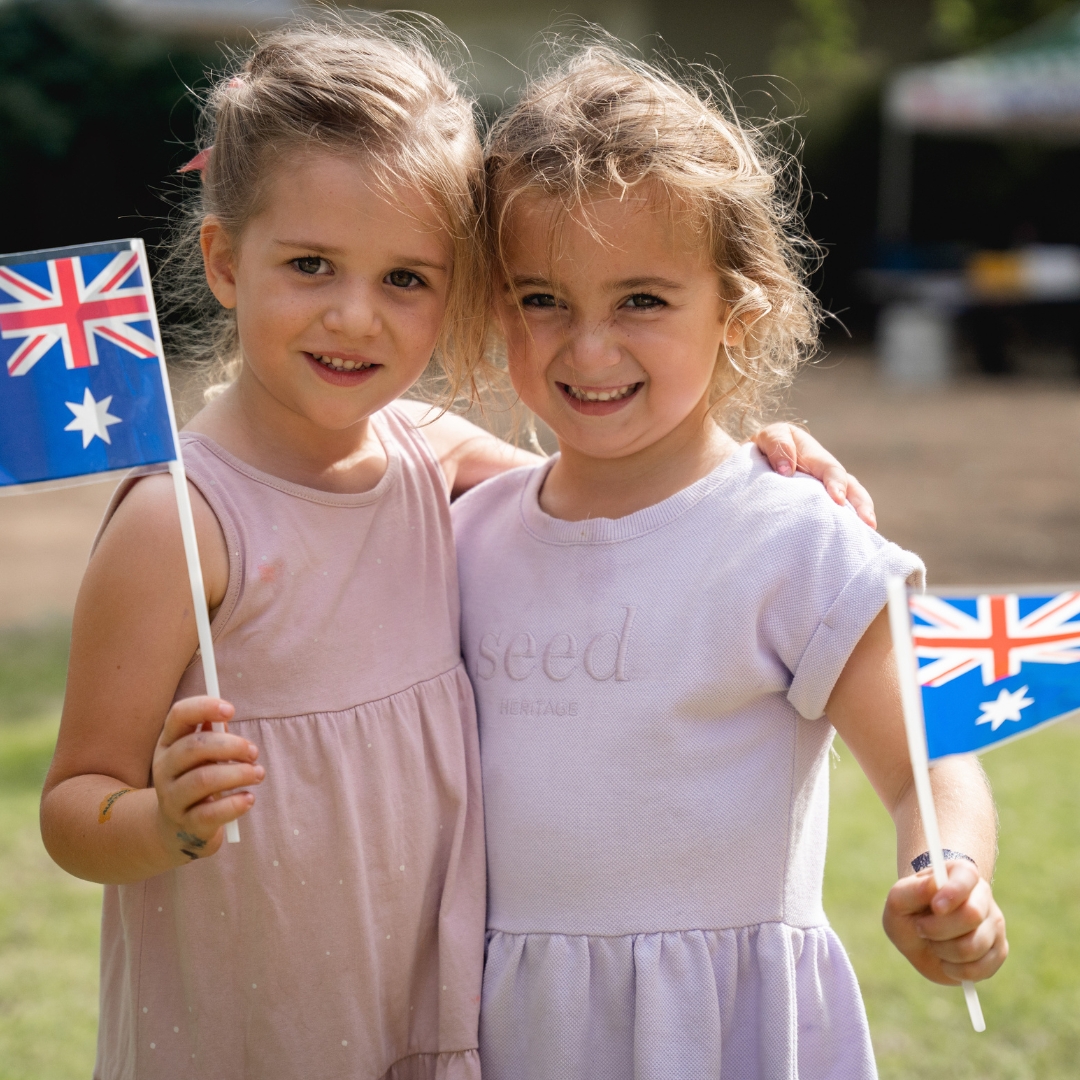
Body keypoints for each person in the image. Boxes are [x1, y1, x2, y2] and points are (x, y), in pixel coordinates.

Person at [38, 18, 865, 1080]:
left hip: (431, 1024)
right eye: (310, 264)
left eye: (406, 279)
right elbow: (74, 806)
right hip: (249, 1032)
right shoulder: (182, 521)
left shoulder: (431, 458)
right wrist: (162, 823)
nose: (355, 315)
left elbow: (605, 488)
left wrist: (751, 462)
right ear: (224, 260)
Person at [453, 46, 1009, 1079]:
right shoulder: (462, 536)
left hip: (718, 1033)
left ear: (737, 313)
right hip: (504, 1028)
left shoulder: (791, 537)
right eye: (542, 300)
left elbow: (931, 761)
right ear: (494, 305)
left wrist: (946, 869)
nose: (587, 348)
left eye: (643, 302)